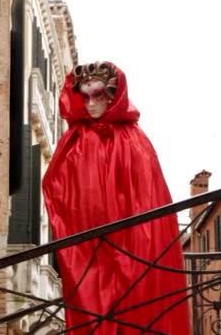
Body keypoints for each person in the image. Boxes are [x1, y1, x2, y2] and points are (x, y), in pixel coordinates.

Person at [42, 61, 190, 334]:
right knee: (92, 301)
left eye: (98, 96)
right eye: (85, 97)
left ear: (113, 97)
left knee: (135, 300)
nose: (91, 105)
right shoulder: (75, 141)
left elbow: (148, 199)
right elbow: (59, 190)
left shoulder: (135, 142)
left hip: (132, 243)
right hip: (90, 245)